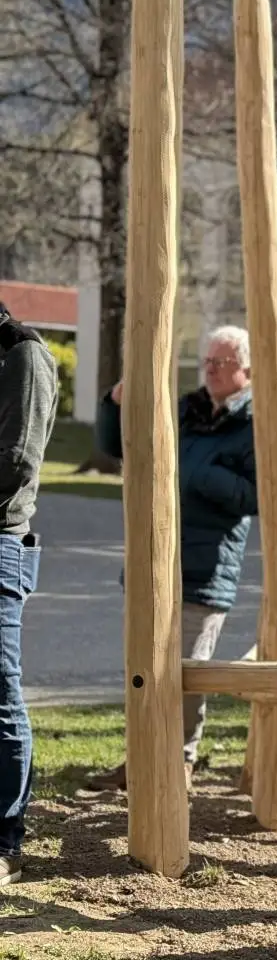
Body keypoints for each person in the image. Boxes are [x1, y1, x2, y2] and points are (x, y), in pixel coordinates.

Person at [91, 326, 258, 787]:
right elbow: (113, 446)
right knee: (144, 668)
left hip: (206, 570)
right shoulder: (186, 409)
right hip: (152, 562)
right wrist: (115, 406)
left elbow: (256, 495)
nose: (210, 370)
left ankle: (180, 763)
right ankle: (139, 760)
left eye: (221, 363)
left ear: (245, 369)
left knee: (186, 676)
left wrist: (196, 475)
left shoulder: (255, 424)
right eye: (207, 361)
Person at [0, 300, 57, 884]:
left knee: (0, 692)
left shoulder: (26, 356)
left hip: (1, 545)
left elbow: (16, 462)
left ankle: (5, 839)